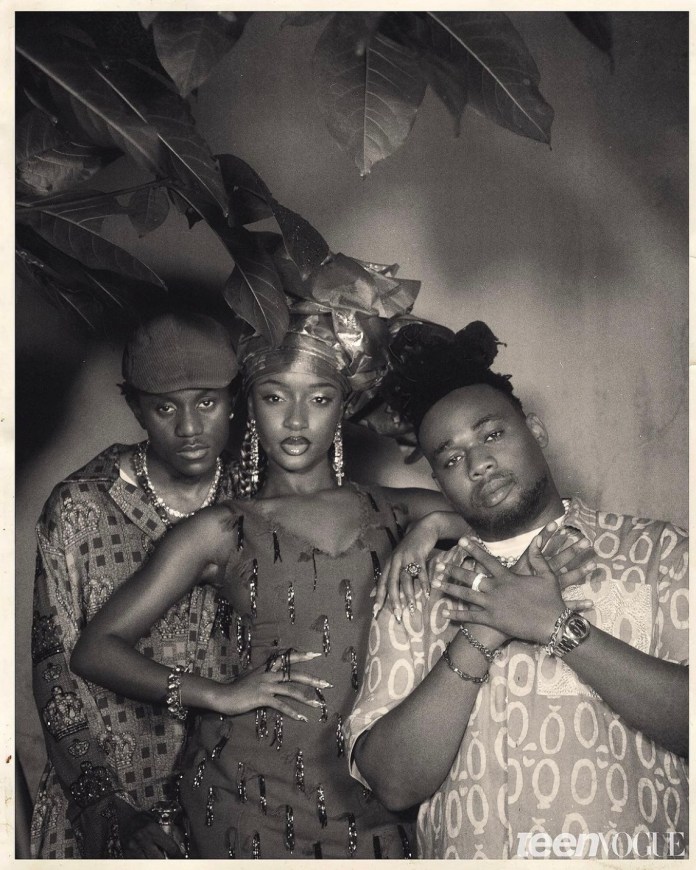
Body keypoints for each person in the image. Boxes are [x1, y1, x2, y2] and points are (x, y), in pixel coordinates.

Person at [347, 322, 689, 860]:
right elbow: (392, 783)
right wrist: (481, 631)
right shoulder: (415, 588)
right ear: (437, 481)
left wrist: (558, 628)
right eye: (451, 459)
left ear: (535, 429)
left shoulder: (656, 552)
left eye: (491, 435)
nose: (478, 464)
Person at [30, 311, 240, 859]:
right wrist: (107, 808)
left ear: (233, 398)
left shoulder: (262, 499)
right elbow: (55, 669)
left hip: (235, 807)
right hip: (109, 805)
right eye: (166, 407)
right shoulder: (78, 507)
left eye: (207, 402)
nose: (189, 428)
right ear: (135, 407)